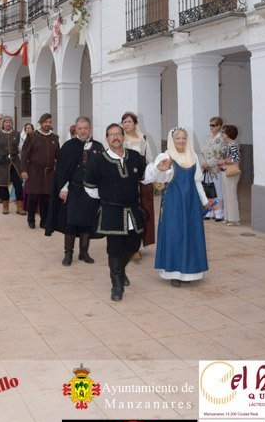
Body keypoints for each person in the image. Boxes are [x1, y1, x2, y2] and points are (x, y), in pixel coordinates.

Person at [84, 123, 146, 301]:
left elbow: (145, 176)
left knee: (134, 244)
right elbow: (89, 186)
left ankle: (121, 270)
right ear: (107, 139)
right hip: (111, 211)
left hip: (133, 210)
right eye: (111, 135)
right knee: (115, 248)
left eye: (118, 134)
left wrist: (160, 170)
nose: (115, 137)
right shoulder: (98, 160)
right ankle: (116, 283)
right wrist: (107, 197)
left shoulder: (134, 157)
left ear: (123, 136)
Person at [145, 127, 209, 287]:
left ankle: (189, 271)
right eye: (178, 138)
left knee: (191, 234)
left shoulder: (193, 156)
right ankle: (173, 272)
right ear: (172, 140)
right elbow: (159, 179)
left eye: (184, 138)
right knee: (175, 234)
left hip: (191, 202)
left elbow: (197, 181)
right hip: (173, 202)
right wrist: (160, 169)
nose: (181, 141)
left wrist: (204, 201)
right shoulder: (166, 157)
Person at [46, 116, 105, 265]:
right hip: (73, 189)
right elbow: (62, 171)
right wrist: (63, 188)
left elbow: (103, 171)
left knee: (87, 221)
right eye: (80, 128)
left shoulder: (98, 147)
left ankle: (84, 252)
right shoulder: (68, 146)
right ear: (76, 129)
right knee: (70, 222)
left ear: (90, 129)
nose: (83, 131)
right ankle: (68, 253)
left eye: (85, 128)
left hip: (91, 191)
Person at [121, 111, 155, 257]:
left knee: (142, 211)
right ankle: (127, 244)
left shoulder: (143, 139)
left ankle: (137, 246)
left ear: (135, 123)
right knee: (127, 212)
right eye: (124, 122)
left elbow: (150, 160)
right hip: (125, 179)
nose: (127, 124)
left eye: (129, 121)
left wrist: (153, 177)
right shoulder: (120, 139)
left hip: (141, 180)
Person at [21, 112, 60, 229]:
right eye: (45, 122)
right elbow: (24, 154)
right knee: (33, 197)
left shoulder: (55, 138)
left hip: (49, 173)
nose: (48, 124)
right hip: (34, 172)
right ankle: (31, 219)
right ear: (41, 123)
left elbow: (58, 155)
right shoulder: (32, 136)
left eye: (50, 122)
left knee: (46, 199)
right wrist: (24, 170)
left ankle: (44, 221)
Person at [0, 116, 25, 214]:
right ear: (3, 124)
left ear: (12, 124)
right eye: (6, 122)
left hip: (15, 162)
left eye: (10, 122)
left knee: (18, 185)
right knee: (3, 185)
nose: (8, 124)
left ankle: (19, 207)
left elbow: (21, 148)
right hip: (3, 163)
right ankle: (5, 207)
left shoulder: (17, 134)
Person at [200, 116, 226, 222]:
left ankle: (219, 212)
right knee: (207, 190)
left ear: (219, 126)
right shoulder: (207, 138)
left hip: (215, 169)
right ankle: (209, 210)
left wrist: (209, 163)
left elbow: (221, 155)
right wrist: (203, 163)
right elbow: (201, 152)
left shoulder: (222, 140)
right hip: (206, 169)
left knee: (217, 191)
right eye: (210, 125)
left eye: (213, 125)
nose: (211, 127)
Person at [218, 125, 241, 225]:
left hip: (231, 172)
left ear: (228, 134)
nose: (222, 134)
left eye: (224, 132)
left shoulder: (233, 145)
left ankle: (234, 219)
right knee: (227, 195)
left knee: (231, 196)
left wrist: (223, 161)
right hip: (225, 172)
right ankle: (228, 217)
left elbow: (235, 159)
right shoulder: (228, 145)